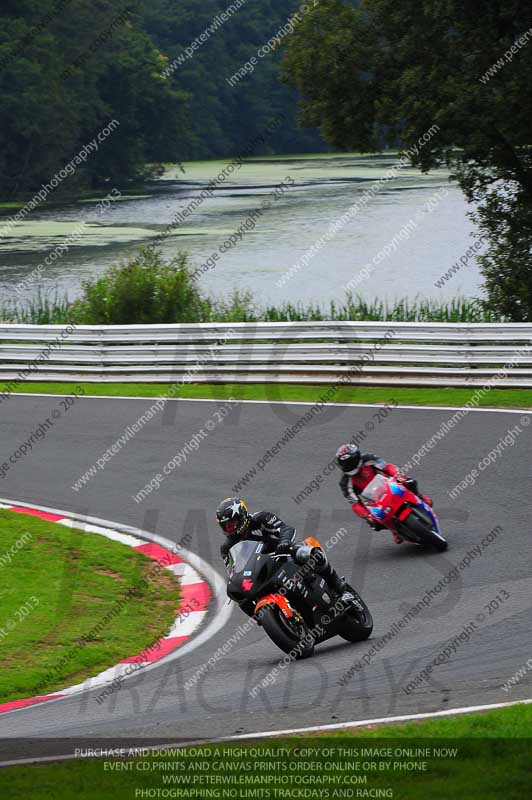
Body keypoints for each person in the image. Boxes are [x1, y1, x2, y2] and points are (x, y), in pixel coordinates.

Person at [216, 497, 353, 609]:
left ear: (242, 516)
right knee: (242, 599)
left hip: (283, 553)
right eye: (226, 526)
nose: (230, 528)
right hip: (260, 570)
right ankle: (266, 617)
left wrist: (284, 543)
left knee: (309, 552)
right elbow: (233, 571)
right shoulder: (227, 548)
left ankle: (339, 588)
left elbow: (285, 529)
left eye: (232, 523)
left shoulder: (261, 518)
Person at [335, 443, 433, 544]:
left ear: (356, 457)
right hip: (371, 501)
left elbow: (387, 467)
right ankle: (394, 530)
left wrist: (399, 477)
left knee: (410, 482)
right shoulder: (344, 482)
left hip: (386, 485)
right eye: (344, 464)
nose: (347, 465)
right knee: (375, 524)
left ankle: (420, 497)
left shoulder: (368, 458)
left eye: (349, 462)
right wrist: (367, 516)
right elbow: (355, 504)